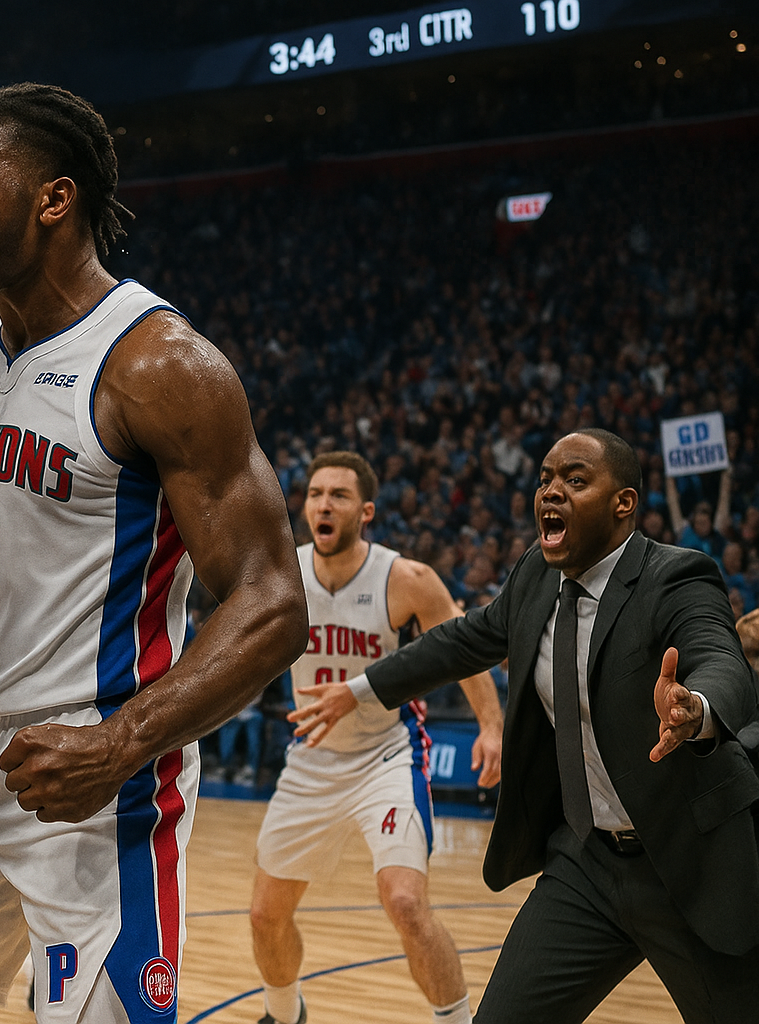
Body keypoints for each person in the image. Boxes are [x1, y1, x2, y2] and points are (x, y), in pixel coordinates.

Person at [0, 83, 307, 1024]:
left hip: (102, 769)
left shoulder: (158, 363)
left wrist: (121, 743)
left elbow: (270, 602)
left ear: (54, 200)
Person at [290, 429, 759, 1023]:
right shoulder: (537, 573)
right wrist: (356, 692)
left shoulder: (677, 576)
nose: (552, 491)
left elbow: (723, 661)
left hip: (687, 860)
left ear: (624, 504)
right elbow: (462, 642)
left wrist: (694, 709)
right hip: (588, 865)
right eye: (545, 479)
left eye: (576, 480)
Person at [252, 451, 504, 1024]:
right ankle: (284, 1013)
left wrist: (491, 724)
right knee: (265, 915)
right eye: (315, 493)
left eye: (338, 495)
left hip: (386, 758)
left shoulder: (406, 578)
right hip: (311, 760)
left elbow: (462, 650)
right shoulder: (282, 576)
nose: (323, 504)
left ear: (365, 511)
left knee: (406, 902)